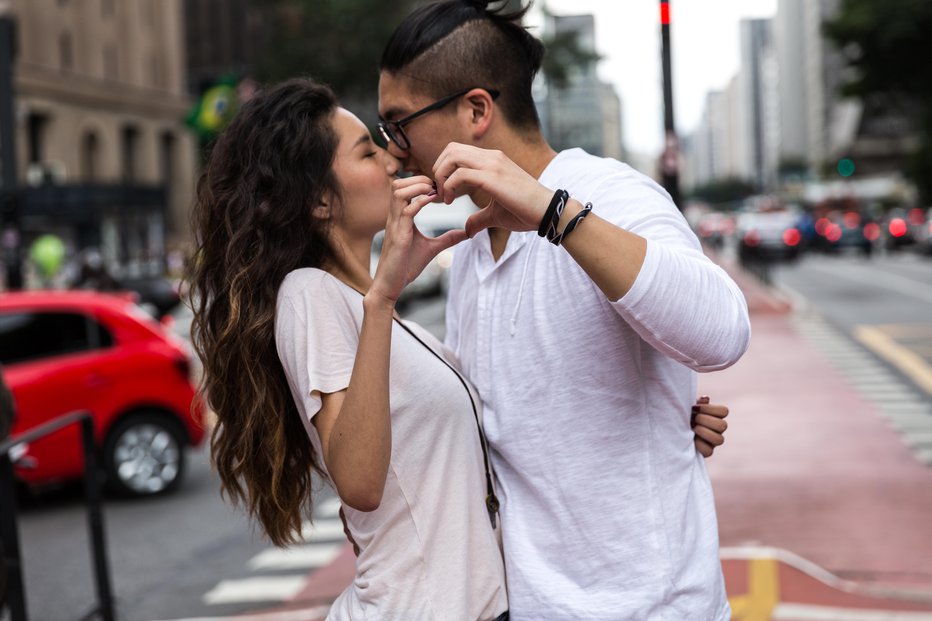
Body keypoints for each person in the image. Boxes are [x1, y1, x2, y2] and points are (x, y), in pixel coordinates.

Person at [189, 78, 730, 620]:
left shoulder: (378, 310)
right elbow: (358, 481)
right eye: (368, 149)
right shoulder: (312, 294)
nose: (392, 156)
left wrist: (660, 419)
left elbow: (486, 431)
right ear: (320, 202)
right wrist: (382, 299)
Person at [376, 1, 751, 619]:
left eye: (399, 124)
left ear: (476, 110)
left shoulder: (612, 194)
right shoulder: (470, 249)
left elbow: (724, 332)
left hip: (648, 606)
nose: (395, 152)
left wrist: (552, 213)